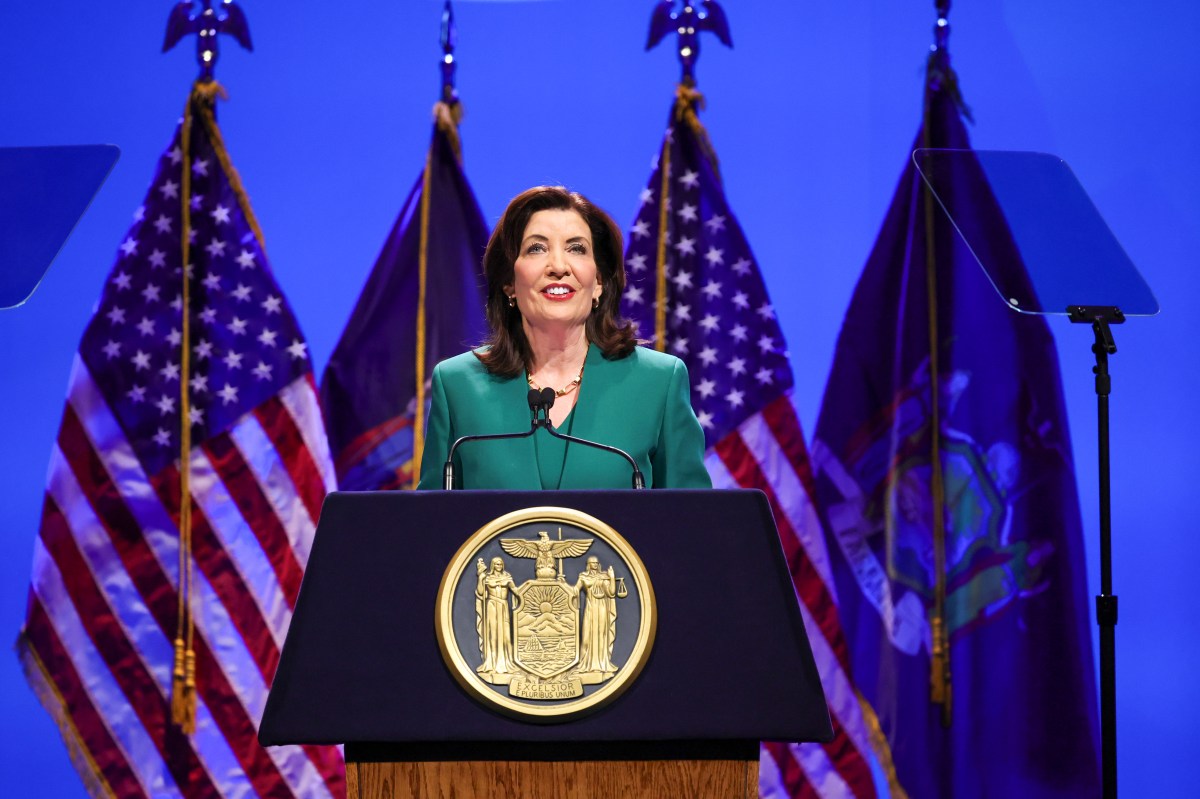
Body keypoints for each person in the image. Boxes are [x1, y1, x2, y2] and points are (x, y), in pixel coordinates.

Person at [417, 186, 711, 490]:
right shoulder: (457, 385)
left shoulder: (658, 381)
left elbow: (692, 522)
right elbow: (433, 527)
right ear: (509, 284)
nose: (559, 267)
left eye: (577, 248)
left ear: (598, 282)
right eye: (536, 248)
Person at [573, 556, 618, 675]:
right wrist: (563, 585)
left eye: (597, 563)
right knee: (587, 636)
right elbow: (575, 590)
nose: (595, 565)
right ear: (588, 564)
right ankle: (584, 663)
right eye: (593, 563)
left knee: (601, 633)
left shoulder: (603, 576)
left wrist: (612, 577)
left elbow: (612, 592)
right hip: (590, 607)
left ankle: (601, 663)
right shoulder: (583, 576)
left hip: (602, 607)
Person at [475, 557, 517, 680]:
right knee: (492, 635)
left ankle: (505, 663)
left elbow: (516, 591)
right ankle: (491, 664)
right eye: (497, 564)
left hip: (503, 607)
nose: (499, 565)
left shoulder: (507, 577)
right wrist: (480, 578)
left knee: (506, 637)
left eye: (500, 564)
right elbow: (481, 593)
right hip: (492, 606)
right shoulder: (487, 578)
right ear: (493, 565)